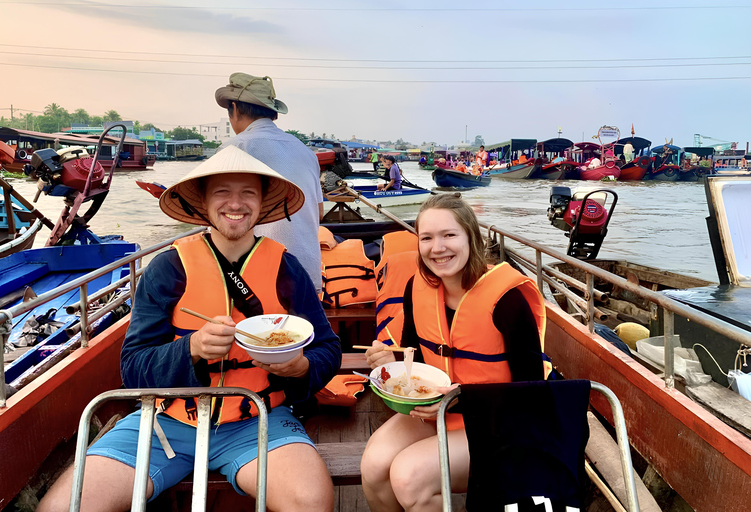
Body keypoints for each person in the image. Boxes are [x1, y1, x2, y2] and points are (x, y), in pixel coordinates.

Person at [37, 147, 341, 512]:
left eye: (248, 192)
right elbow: (132, 368)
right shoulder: (167, 268)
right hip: (166, 421)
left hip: (258, 418)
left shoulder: (286, 269)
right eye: (222, 192)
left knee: (311, 502)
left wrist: (301, 368)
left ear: (262, 203)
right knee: (62, 507)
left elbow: (327, 348)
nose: (236, 203)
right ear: (203, 202)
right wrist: (192, 348)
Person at [360, 194, 549, 511]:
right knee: (374, 466)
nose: (438, 248)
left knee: (408, 478)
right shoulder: (415, 288)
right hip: (439, 409)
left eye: (449, 235)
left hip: (497, 421)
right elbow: (416, 356)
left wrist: (462, 400)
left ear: (471, 238)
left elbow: (532, 391)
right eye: (427, 238)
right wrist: (391, 358)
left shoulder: (507, 301)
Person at [215, 72, 324, 294]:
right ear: (271, 112)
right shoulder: (307, 152)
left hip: (254, 283)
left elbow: (219, 222)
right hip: (308, 277)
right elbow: (319, 213)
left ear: (234, 108)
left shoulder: (235, 148)